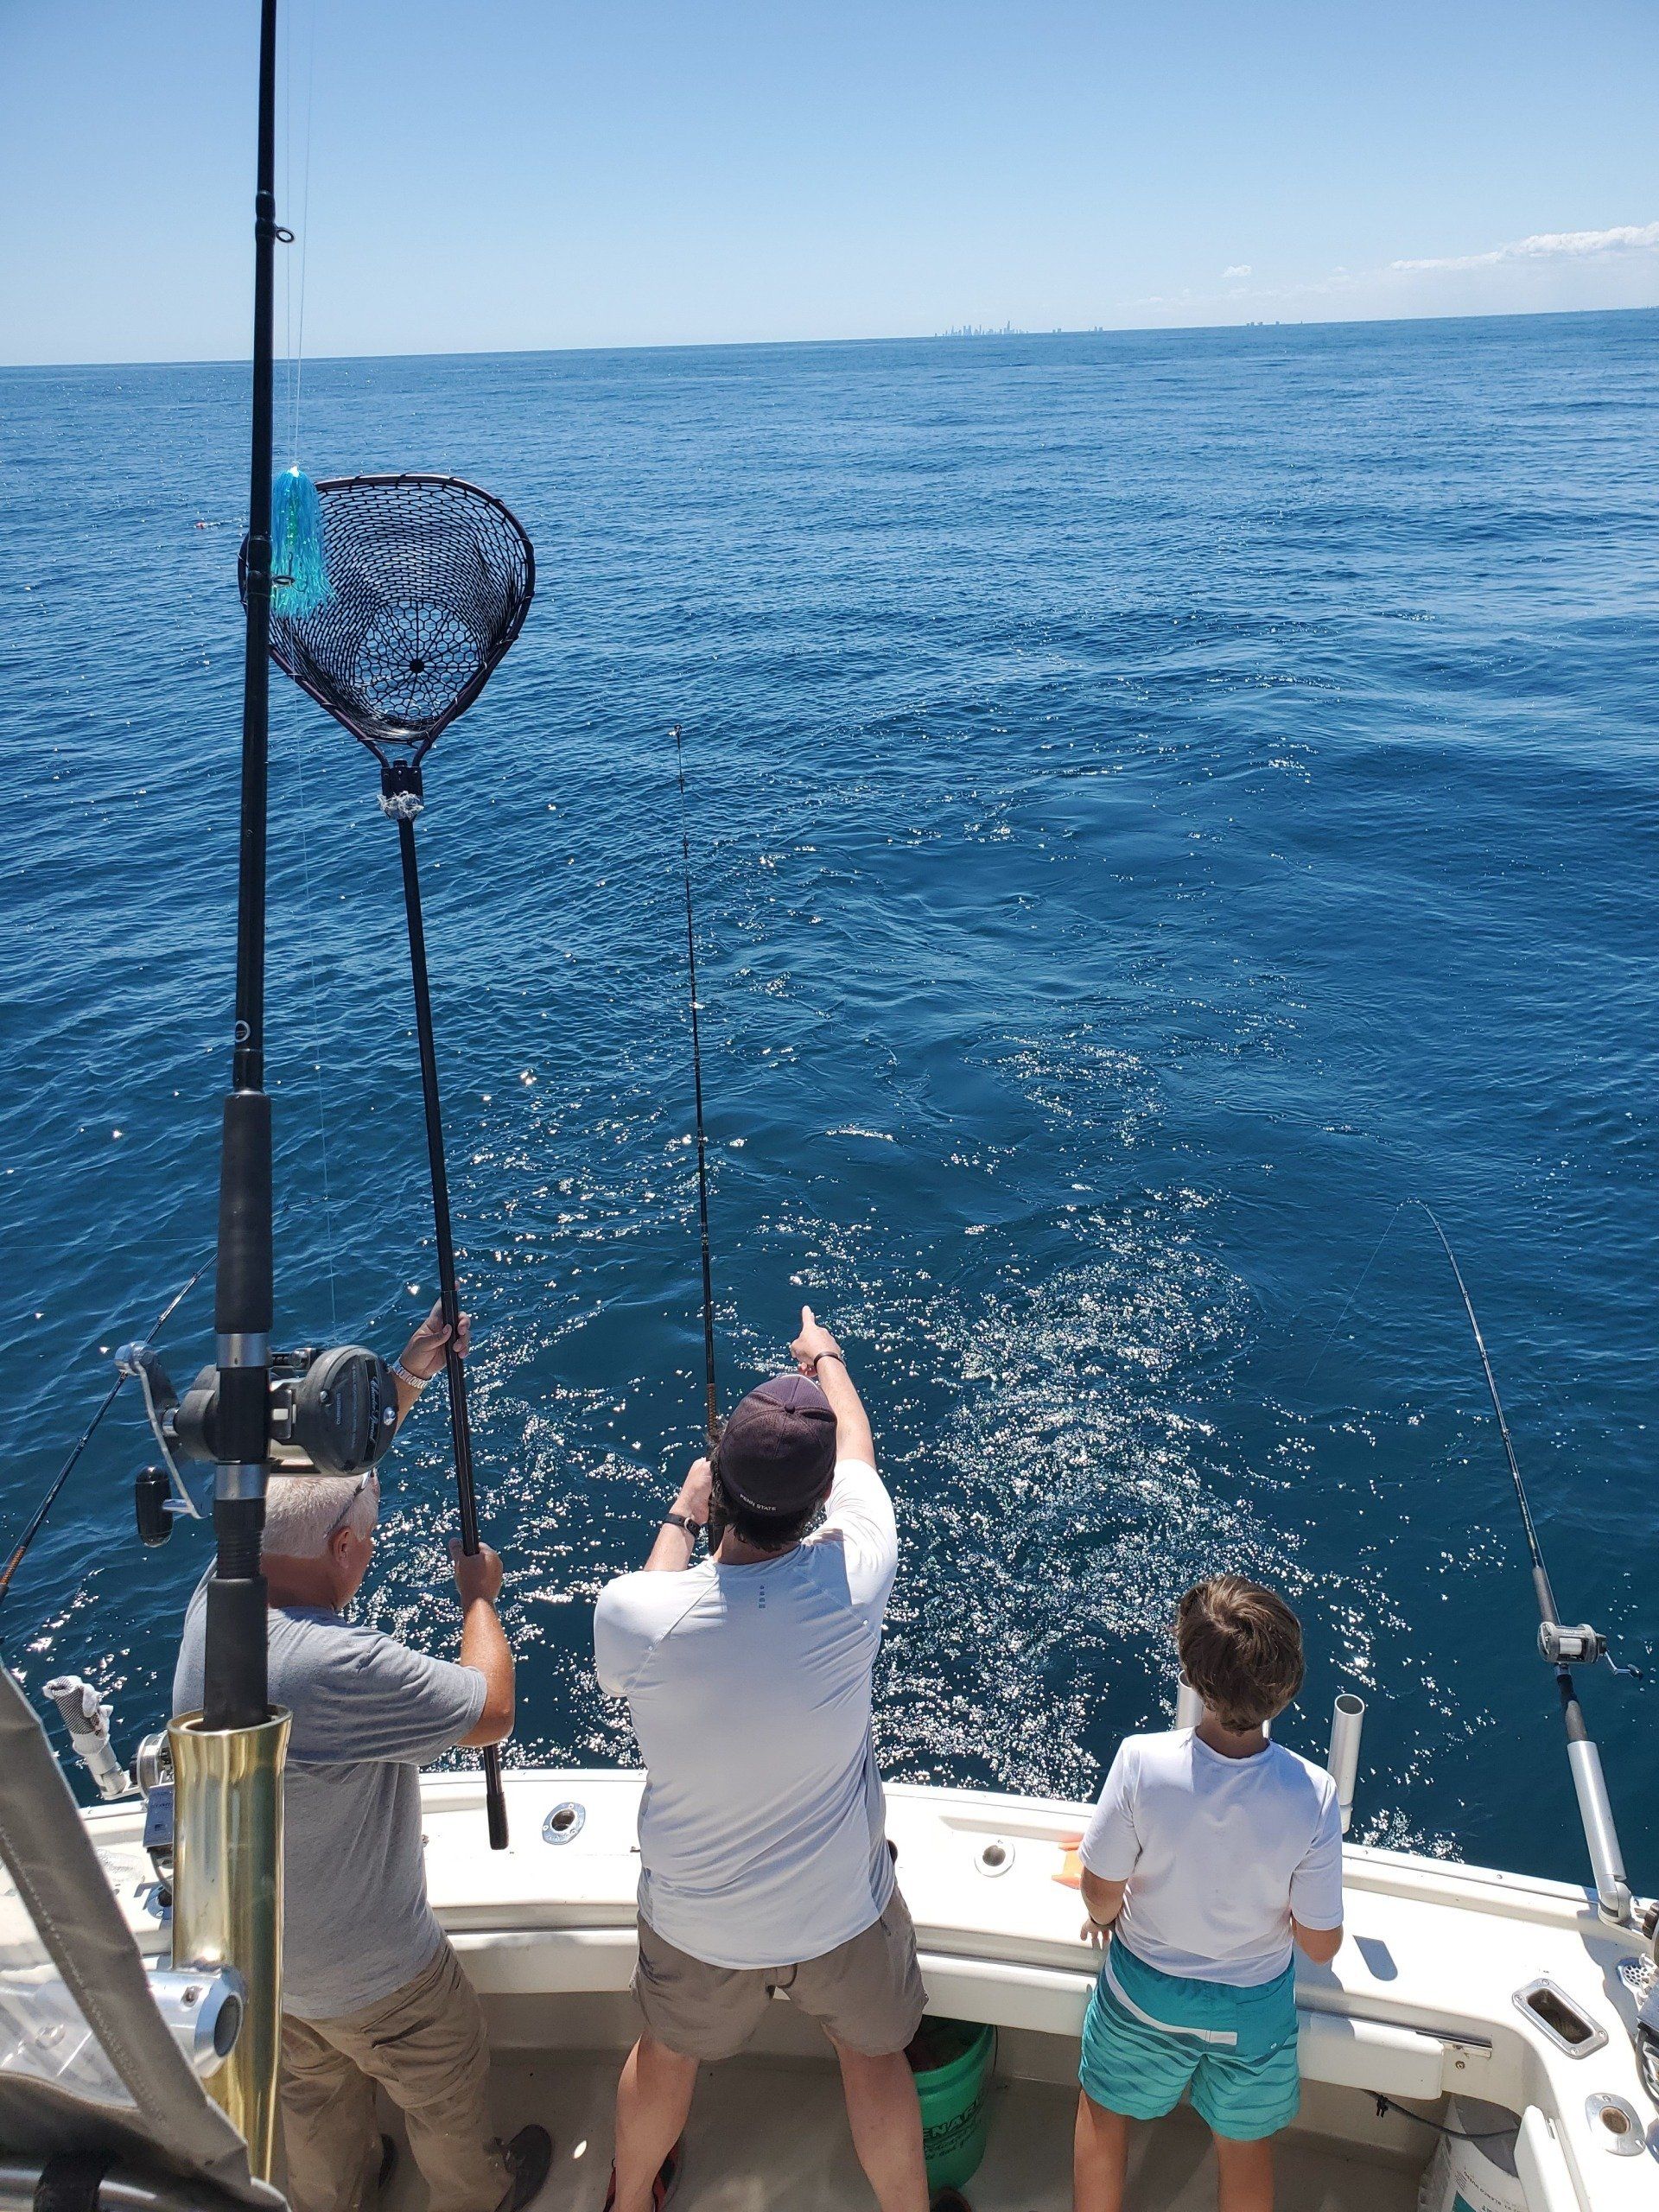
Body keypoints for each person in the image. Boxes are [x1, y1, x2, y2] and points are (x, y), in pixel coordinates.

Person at [173, 1301, 550, 2212]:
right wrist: (479, 1600)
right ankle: (478, 2195)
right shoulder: (334, 1666)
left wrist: (408, 1379)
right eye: (369, 1538)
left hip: (267, 1962)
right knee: (445, 2091)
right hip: (381, 1978)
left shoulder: (218, 1596)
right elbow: (491, 1710)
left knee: (312, 2106)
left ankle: (340, 2194)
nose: (371, 1549)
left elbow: (314, 1491)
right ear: (344, 1548)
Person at [593, 1307, 928, 2212]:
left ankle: (629, 2202)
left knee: (667, 2055)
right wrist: (823, 1357)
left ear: (723, 1488)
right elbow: (857, 1442)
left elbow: (655, 1592)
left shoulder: (636, 1617)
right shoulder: (857, 1573)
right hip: (842, 1911)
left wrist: (683, 1507)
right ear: (818, 1503)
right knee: (875, 2057)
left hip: (696, 1921)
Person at [1071, 1577, 1344, 2212]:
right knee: (1243, 2147)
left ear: (1192, 1675)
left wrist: (1102, 1916)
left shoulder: (1141, 1762)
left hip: (1144, 1996)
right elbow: (1320, 1946)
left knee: (1105, 2113)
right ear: (1287, 1685)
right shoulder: (1314, 1793)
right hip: (1253, 2014)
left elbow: (1100, 1891)